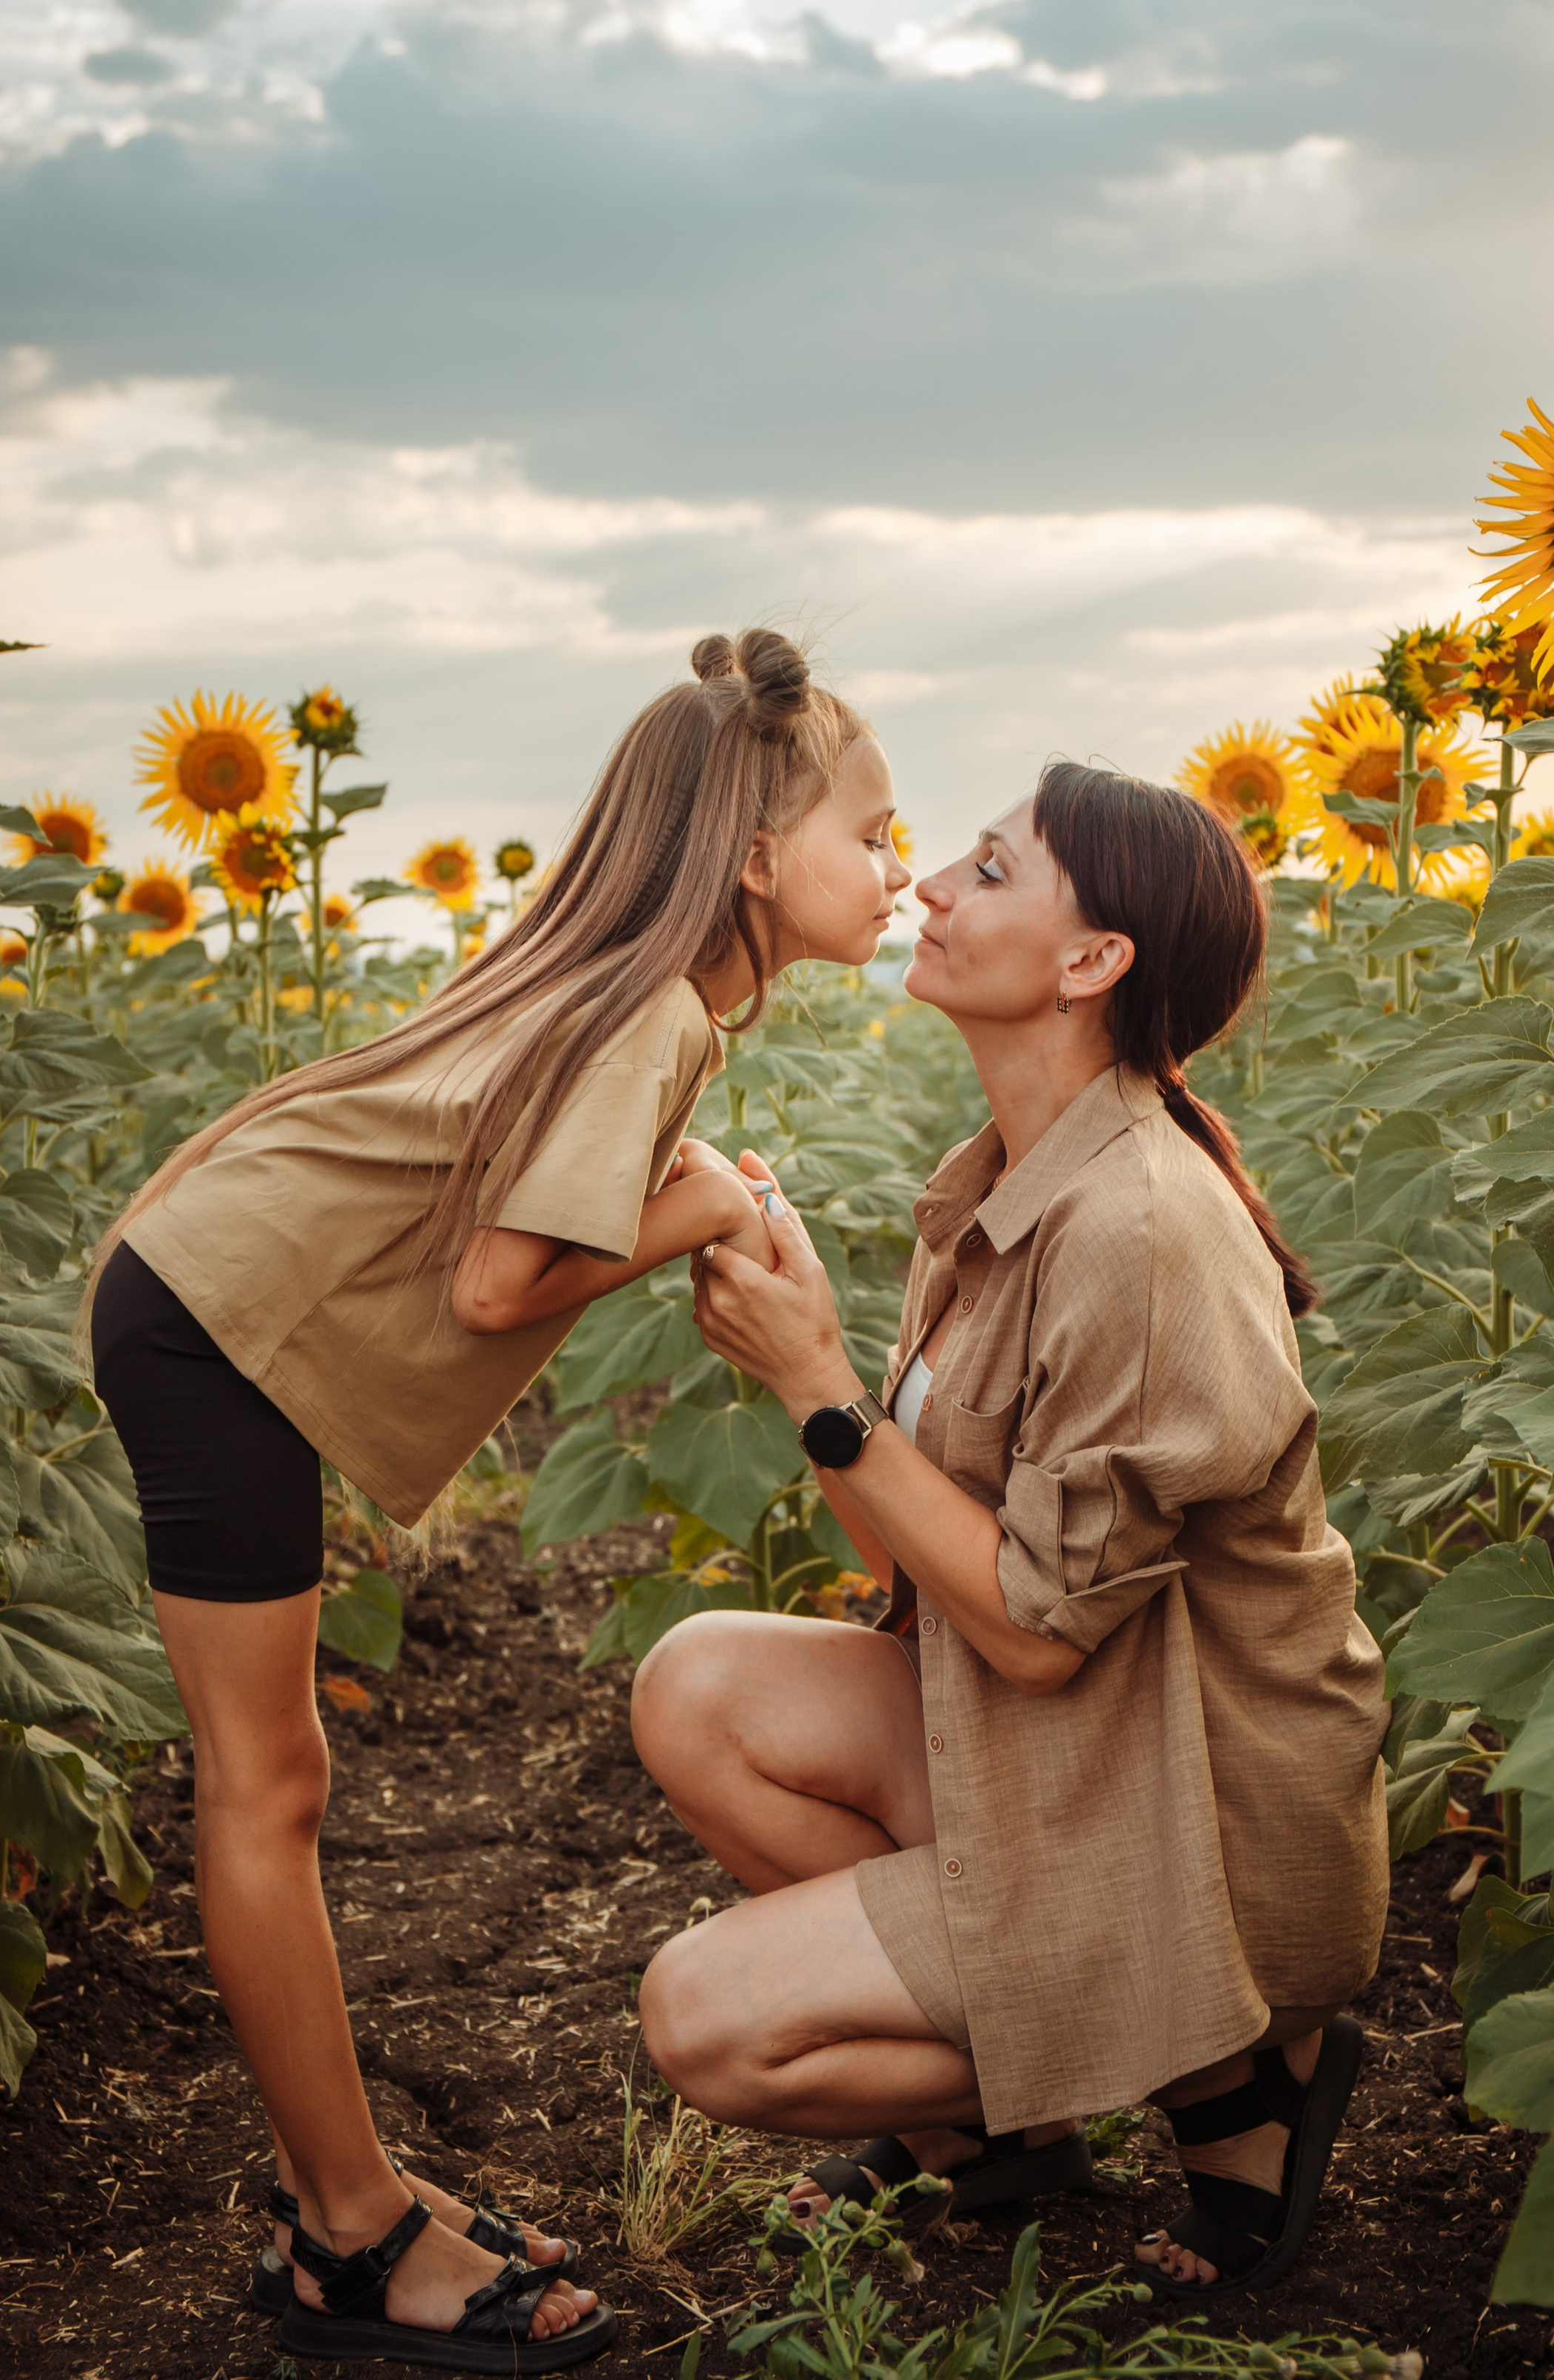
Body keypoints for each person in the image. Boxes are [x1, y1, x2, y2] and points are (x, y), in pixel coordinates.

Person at [87, 631, 910, 2374]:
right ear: (761, 860)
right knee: (262, 1787)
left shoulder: (632, 987)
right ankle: (348, 2238)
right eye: (875, 832)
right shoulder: (657, 1012)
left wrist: (687, 1191)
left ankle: (350, 2202)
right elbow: (493, 1286)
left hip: (209, 1301)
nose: (896, 867)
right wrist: (702, 1211)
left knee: (276, 1780)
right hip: (215, 1327)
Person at [630, 761, 1389, 2299]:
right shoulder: (1003, 1185)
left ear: (1091, 960)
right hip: (1069, 1747)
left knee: (702, 2023)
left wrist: (821, 1384)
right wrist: (807, 1363)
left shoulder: (1138, 1226)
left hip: (1195, 1823)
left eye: (986, 869)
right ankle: (1001, 2131)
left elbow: (1037, 1638)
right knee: (696, 1686)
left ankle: (1237, 2074)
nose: (927, 885)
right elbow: (914, 1571)